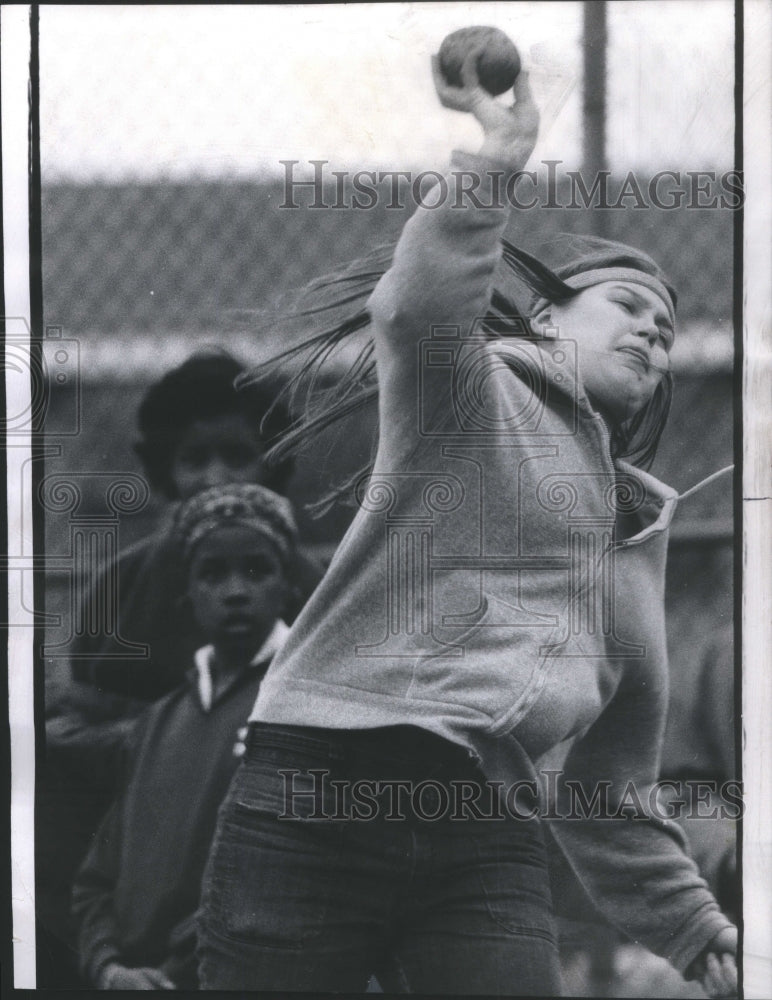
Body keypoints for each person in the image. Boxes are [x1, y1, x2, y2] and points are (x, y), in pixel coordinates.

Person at [196, 45, 737, 997]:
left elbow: (609, 789)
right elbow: (417, 307)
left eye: (666, 325)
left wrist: (697, 931)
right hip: (319, 787)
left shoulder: (632, 537)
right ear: (542, 324)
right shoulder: (470, 397)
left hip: (484, 829)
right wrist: (498, 154)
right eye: (626, 304)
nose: (654, 329)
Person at [37, 351, 322, 986]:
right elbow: (62, 724)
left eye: (236, 455)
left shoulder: (314, 591)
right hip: (127, 849)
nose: (216, 478)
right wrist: (171, 744)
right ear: (166, 470)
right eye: (195, 460)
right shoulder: (125, 585)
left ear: (274, 461)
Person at [72, 483, 297, 990]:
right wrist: (108, 968)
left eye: (257, 570)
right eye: (212, 573)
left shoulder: (300, 705)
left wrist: (170, 975)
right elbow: (96, 878)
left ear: (288, 587)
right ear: (188, 596)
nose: (235, 590)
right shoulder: (157, 723)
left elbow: (278, 874)